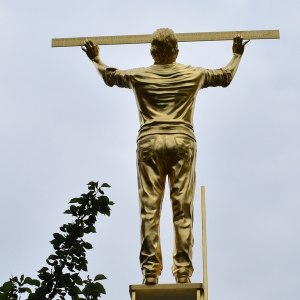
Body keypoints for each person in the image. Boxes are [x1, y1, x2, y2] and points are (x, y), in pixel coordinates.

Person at [82, 28, 248, 285]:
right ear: (177, 52)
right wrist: (237, 55)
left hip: (149, 142)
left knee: (149, 209)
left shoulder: (139, 76)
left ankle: (150, 269)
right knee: (182, 208)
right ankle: (182, 270)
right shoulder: (193, 74)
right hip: (182, 141)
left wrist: (96, 58)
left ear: (152, 52)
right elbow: (225, 76)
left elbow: (111, 76)